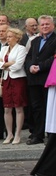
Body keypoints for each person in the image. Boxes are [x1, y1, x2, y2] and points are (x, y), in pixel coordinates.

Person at [24, 15, 56, 145]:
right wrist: (30, 66)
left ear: (52, 25)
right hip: (34, 79)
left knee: (50, 107)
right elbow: (29, 57)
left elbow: (54, 58)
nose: (45, 26)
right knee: (36, 108)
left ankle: (51, 135)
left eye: (47, 24)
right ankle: (37, 135)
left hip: (48, 78)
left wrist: (40, 67)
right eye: (42, 25)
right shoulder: (35, 41)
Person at [0, 28, 28, 145]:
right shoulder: (4, 49)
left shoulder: (21, 49)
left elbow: (18, 65)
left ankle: (18, 134)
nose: (7, 38)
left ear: (17, 38)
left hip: (18, 79)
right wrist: (8, 64)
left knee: (18, 107)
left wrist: (5, 65)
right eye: (7, 36)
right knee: (7, 108)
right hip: (6, 79)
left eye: (10, 36)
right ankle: (9, 134)